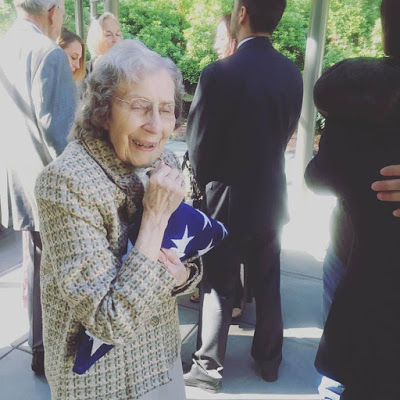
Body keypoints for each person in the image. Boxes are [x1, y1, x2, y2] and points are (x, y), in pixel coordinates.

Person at [34, 39, 202, 400]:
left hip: (160, 360)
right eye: (140, 107)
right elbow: (108, 321)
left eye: (166, 109)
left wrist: (185, 275)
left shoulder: (165, 163)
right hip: (100, 380)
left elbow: (189, 261)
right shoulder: (66, 182)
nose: (156, 126)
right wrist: (155, 217)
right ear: (103, 110)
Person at [184, 0, 303, 392]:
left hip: (227, 200)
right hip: (272, 193)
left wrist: (202, 190)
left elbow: (198, 145)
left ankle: (207, 368)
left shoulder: (218, 73)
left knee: (218, 283)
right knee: (267, 282)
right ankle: (269, 360)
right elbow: (286, 131)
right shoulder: (292, 73)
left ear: (242, 12)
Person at [305, 0, 400, 397]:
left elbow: (317, 176)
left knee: (343, 371)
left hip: (351, 256)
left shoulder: (358, 97)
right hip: (350, 255)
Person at [0, 0, 76, 375]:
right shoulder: (48, 52)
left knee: (35, 266)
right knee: (58, 271)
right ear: (53, 10)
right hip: (48, 187)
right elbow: (58, 134)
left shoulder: (4, 46)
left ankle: (40, 348)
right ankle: (52, 350)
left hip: (14, 180)